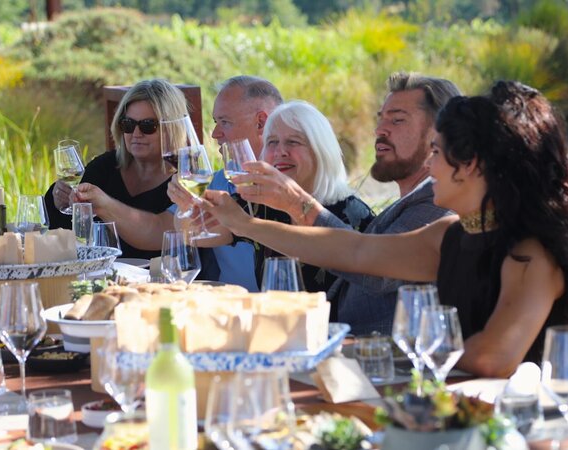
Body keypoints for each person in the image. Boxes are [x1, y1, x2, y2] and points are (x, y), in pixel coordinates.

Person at [202, 81, 568, 377]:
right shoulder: (450, 235)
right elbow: (353, 251)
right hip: (443, 409)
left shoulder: (533, 253)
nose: (430, 167)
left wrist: (391, 350)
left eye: (437, 153)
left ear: (475, 166)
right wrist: (247, 225)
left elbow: (492, 357)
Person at [226, 72, 458, 334]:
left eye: (397, 120)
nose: (380, 130)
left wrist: (292, 205)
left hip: (386, 364)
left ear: (440, 133)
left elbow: (372, 267)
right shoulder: (411, 201)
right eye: (380, 119)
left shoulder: (439, 204)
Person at [176, 100, 374, 298]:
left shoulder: (354, 215)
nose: (281, 152)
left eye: (293, 142)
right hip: (275, 322)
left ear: (320, 150)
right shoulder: (260, 205)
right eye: (272, 142)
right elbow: (194, 232)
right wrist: (188, 207)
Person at [44, 78, 185, 259]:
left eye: (148, 126)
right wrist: (59, 202)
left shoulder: (186, 178)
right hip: (103, 279)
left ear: (171, 128)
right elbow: (63, 231)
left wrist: (104, 205)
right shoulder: (106, 166)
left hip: (164, 281)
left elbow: (161, 233)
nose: (136, 134)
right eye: (128, 125)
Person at [166, 75, 283, 291]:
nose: (214, 134)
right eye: (216, 122)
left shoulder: (292, 183)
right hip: (229, 306)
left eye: (225, 122)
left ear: (261, 122)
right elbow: (188, 232)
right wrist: (184, 207)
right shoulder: (222, 179)